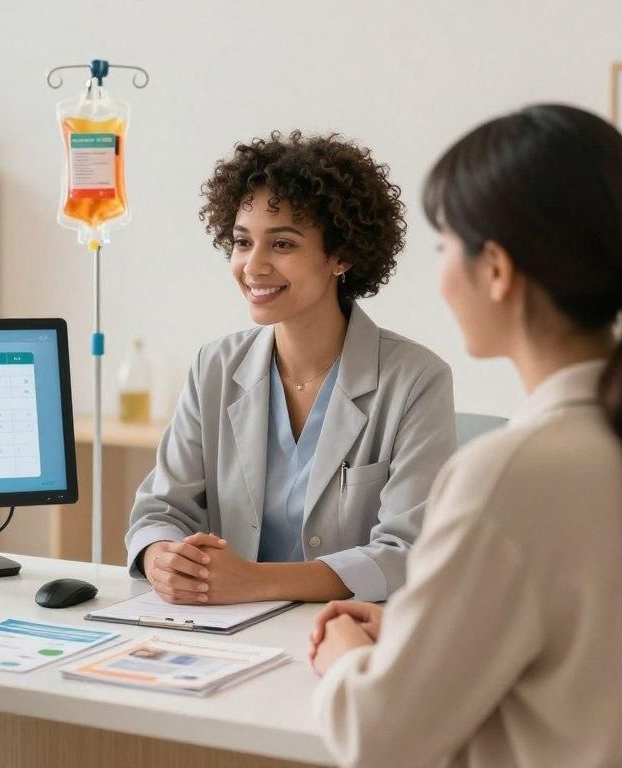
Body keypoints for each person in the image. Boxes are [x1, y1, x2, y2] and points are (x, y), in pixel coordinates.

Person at [309, 104, 622, 766]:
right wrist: (423, 636)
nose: (438, 275)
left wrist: (347, 657)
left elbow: (378, 738)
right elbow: (597, 657)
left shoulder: (509, 473)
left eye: (443, 248)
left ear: (495, 268)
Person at [125, 131, 457, 605]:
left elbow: (407, 551)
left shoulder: (416, 380)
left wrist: (253, 582)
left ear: (341, 256)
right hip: (222, 629)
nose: (253, 266)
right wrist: (162, 556)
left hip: (347, 633)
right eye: (242, 242)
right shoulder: (214, 366)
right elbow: (161, 508)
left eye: (282, 244)